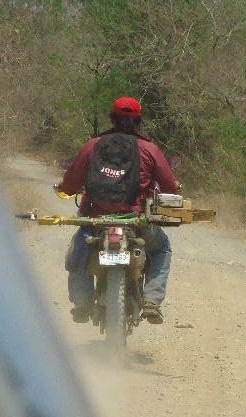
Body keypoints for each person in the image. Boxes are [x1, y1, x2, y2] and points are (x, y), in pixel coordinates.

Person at [57, 96, 179, 324]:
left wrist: (64, 188)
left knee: (79, 250)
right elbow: (170, 187)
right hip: (137, 221)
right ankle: (152, 301)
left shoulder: (92, 145)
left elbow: (70, 184)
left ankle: (82, 303)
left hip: (95, 221)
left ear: (112, 119)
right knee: (161, 248)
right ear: (139, 122)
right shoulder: (149, 149)